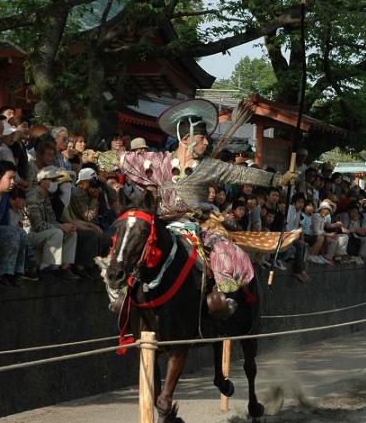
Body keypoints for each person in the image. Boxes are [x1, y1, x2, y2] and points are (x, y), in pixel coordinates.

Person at [110, 99, 296, 295]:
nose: (206, 142)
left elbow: (241, 174)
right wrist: (94, 157)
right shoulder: (158, 161)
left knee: (222, 248)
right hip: (163, 222)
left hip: (198, 224)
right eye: (202, 138)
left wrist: (277, 179)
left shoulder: (208, 166)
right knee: (129, 243)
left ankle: (224, 297)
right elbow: (124, 159)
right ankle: (121, 289)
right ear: (187, 138)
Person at [26, 166, 79, 280]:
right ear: (43, 181)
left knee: (71, 232)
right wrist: (61, 226)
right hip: (30, 234)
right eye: (53, 180)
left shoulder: (47, 197)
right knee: (57, 233)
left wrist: (65, 227)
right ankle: (45, 269)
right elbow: (38, 226)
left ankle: (64, 268)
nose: (56, 183)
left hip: (42, 233)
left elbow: (51, 220)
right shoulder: (33, 196)